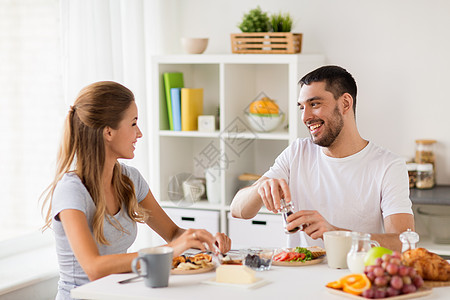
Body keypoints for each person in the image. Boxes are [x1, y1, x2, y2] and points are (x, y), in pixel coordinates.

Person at [41, 81, 231, 300]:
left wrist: (201, 239)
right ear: (108, 132)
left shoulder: (129, 180)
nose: (139, 133)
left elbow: (173, 233)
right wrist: (171, 249)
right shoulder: (72, 191)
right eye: (133, 124)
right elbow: (94, 268)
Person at [231, 65, 413, 252]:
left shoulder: (388, 165)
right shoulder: (297, 152)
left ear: (345, 104)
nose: (305, 117)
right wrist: (260, 188)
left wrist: (336, 234)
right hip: (301, 276)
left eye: (315, 104)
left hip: (357, 278)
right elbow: (238, 210)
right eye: (302, 107)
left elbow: (404, 243)